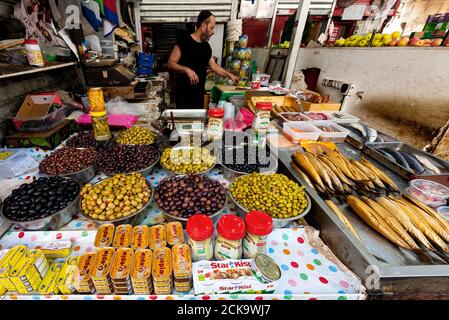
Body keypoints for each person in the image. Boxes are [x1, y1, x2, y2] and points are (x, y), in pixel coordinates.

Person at [167, 10, 239, 109]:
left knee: (198, 122)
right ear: (204, 26)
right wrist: (187, 70)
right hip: (184, 96)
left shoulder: (206, 46)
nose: (213, 32)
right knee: (184, 123)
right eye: (212, 28)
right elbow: (171, 63)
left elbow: (214, 66)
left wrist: (230, 75)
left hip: (199, 96)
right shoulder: (184, 41)